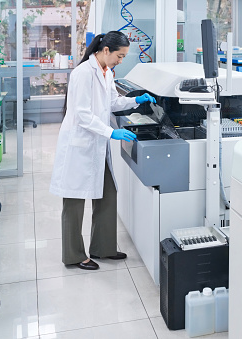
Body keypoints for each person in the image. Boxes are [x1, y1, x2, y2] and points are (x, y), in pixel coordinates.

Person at [49, 31, 156, 270]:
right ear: (106, 50)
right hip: (80, 145)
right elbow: (83, 114)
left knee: (108, 194)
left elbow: (113, 102)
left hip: (97, 146)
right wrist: (111, 132)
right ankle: (74, 255)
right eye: (120, 55)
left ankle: (103, 248)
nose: (121, 60)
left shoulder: (106, 73)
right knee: (74, 203)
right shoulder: (82, 74)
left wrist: (136, 100)